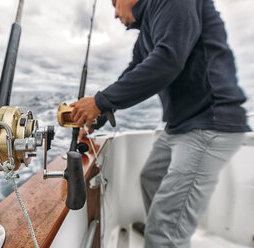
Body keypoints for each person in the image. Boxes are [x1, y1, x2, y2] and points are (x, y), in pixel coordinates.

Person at [70, 0, 251, 247]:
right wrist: (98, 116)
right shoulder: (147, 33)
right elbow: (136, 70)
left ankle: (164, 235)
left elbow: (168, 60)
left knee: (164, 231)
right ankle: (162, 230)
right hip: (182, 125)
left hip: (211, 122)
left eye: (114, 4)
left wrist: (100, 101)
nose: (114, 14)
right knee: (151, 177)